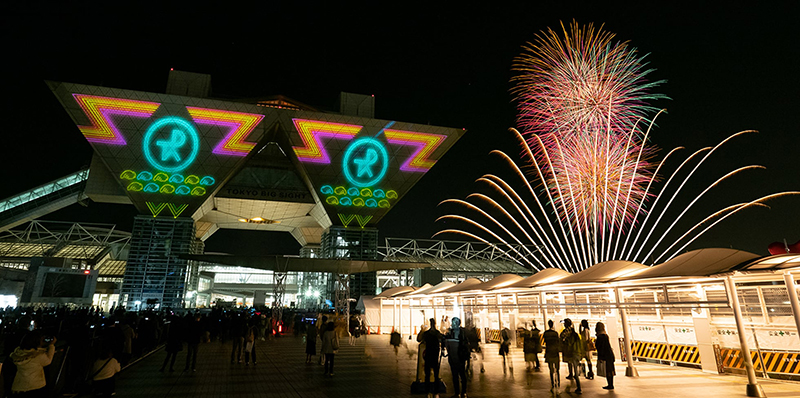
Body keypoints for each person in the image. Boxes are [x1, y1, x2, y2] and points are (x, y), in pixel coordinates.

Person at [10, 331, 56, 397]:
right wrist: (51, 345)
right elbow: (48, 361)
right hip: (36, 386)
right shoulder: (38, 356)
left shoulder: (19, 353)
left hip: (19, 386)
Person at [417, 318, 443, 398]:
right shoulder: (437, 333)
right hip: (435, 356)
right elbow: (442, 340)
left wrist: (422, 330)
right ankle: (436, 392)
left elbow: (419, 339)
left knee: (427, 375)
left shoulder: (426, 333)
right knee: (435, 375)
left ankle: (428, 391)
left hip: (428, 355)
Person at [444, 317, 469, 398]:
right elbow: (445, 341)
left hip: (460, 356)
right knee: (454, 376)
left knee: (462, 375)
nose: (453, 324)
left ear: (458, 323)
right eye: (453, 322)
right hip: (452, 357)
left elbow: (465, 343)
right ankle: (457, 392)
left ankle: (464, 392)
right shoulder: (450, 332)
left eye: (455, 322)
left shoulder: (462, 332)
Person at [560, 318, 582, 394]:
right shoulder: (575, 334)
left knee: (575, 372)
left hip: (572, 353)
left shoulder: (567, 333)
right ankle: (577, 385)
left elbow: (565, 341)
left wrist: (564, 341)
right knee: (574, 368)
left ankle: (579, 388)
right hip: (576, 353)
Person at [595, 322, 615, 390]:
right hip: (609, 355)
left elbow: (600, 348)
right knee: (610, 370)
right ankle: (611, 384)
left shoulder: (600, 337)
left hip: (605, 356)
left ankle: (610, 385)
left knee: (607, 370)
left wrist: (600, 357)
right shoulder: (605, 335)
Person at [542, 320, 561, 392]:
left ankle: (552, 384)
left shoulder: (546, 333)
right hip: (555, 352)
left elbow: (545, 341)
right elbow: (558, 342)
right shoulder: (556, 333)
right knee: (557, 369)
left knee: (551, 369)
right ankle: (558, 383)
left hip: (549, 352)